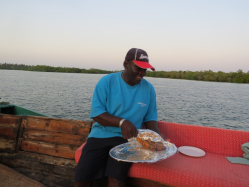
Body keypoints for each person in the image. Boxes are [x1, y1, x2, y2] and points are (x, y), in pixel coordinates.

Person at [74, 48, 164, 187]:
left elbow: (150, 117)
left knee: (116, 179)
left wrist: (157, 137)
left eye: (145, 69)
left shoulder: (148, 88)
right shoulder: (107, 81)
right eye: (138, 68)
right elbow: (97, 113)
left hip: (129, 139)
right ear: (126, 64)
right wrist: (122, 122)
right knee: (82, 176)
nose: (142, 72)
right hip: (100, 135)